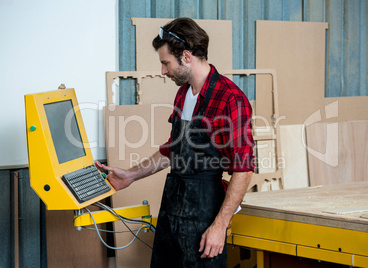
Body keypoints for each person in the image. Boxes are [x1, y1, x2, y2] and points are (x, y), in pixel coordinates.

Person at [96, 17, 254, 267]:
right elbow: (173, 150)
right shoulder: (183, 94)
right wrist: (130, 175)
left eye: (165, 63)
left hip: (206, 214)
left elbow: (243, 170)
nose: (163, 71)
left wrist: (219, 226)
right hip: (173, 207)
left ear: (187, 56)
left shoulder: (230, 98)